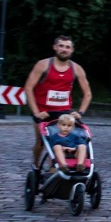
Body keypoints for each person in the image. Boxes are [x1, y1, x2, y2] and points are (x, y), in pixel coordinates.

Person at [24, 35, 92, 165]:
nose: (64, 49)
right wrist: (36, 112)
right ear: (55, 47)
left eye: (67, 47)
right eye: (61, 46)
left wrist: (81, 112)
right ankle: (36, 165)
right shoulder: (43, 65)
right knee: (41, 143)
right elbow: (28, 88)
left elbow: (87, 93)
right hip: (43, 111)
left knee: (60, 142)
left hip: (63, 112)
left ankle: (54, 172)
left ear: (72, 50)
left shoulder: (77, 69)